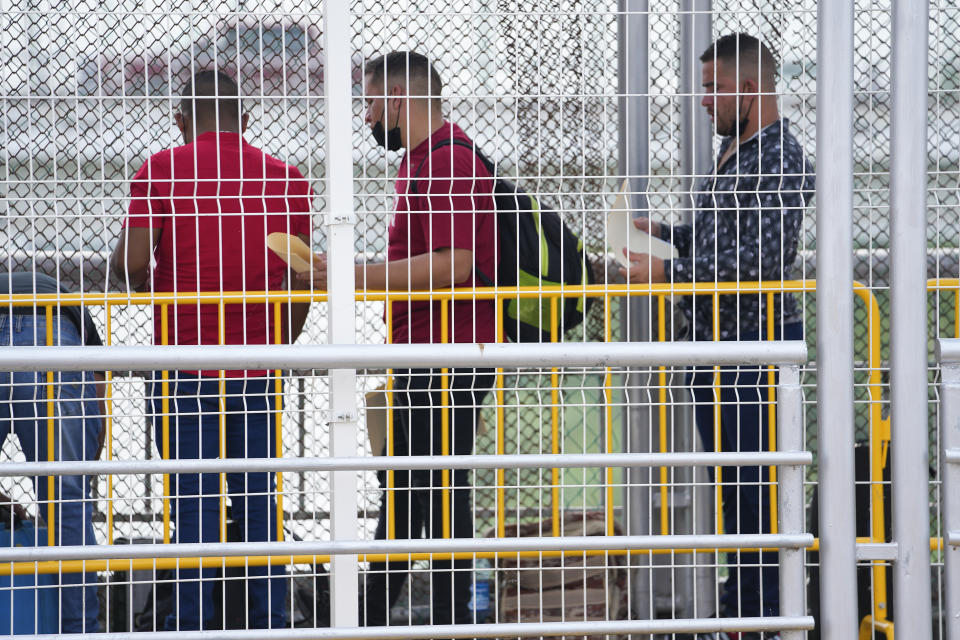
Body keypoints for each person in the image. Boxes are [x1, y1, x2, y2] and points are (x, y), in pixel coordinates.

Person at [621, 34, 814, 635]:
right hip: (715, 348)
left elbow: (761, 257)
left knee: (755, 492)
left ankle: (759, 616)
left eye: (714, 87)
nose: (704, 100)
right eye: (704, 87)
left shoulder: (781, 159)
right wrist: (665, 233)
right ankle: (742, 611)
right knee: (737, 490)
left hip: (750, 356)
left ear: (751, 86)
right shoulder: (738, 149)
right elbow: (723, 242)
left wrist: (668, 271)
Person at [111, 69, 312, 631]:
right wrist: (279, 340)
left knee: (193, 509)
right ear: (246, 122)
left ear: (180, 123)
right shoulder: (286, 179)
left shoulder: (161, 171)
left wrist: (171, 304)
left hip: (183, 365)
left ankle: (193, 625)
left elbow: (129, 265)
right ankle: (270, 621)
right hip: (257, 364)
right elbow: (301, 281)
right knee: (258, 504)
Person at [305, 50, 497, 630]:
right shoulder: (421, 160)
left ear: (397, 98)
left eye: (370, 104)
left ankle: (437, 617)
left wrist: (349, 275)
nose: (367, 119)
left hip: (448, 353)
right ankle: (372, 615)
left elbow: (454, 263)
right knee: (411, 489)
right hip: (423, 349)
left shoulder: (447, 161)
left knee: (434, 492)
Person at [0, 271, 104, 633]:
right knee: (67, 503)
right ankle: (79, 630)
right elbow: (97, 388)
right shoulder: (78, 314)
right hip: (54, 326)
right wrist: (85, 471)